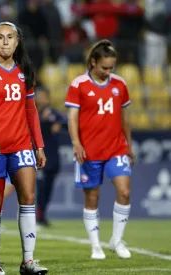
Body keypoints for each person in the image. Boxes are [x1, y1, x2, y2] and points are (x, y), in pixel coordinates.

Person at [0, 22, 48, 275]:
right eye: (0, 37)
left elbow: (31, 111)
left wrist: (39, 145)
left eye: (10, 37)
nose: (5, 42)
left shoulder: (25, 70)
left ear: (17, 42)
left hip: (20, 145)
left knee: (28, 198)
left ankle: (28, 261)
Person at [65, 39, 134, 260]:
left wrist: (129, 146)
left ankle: (116, 239)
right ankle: (96, 246)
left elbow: (125, 119)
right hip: (89, 152)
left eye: (112, 67)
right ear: (93, 62)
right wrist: (76, 143)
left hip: (116, 148)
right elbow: (72, 118)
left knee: (124, 191)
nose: (108, 72)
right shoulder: (79, 85)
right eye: (104, 67)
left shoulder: (120, 85)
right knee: (92, 198)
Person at [35, 86, 64, 227]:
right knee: (40, 187)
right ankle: (38, 216)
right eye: (38, 96)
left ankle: (42, 214)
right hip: (39, 155)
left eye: (42, 96)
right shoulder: (32, 112)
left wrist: (51, 123)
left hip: (53, 156)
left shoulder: (52, 112)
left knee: (48, 188)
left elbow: (60, 125)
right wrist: (43, 121)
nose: (40, 99)